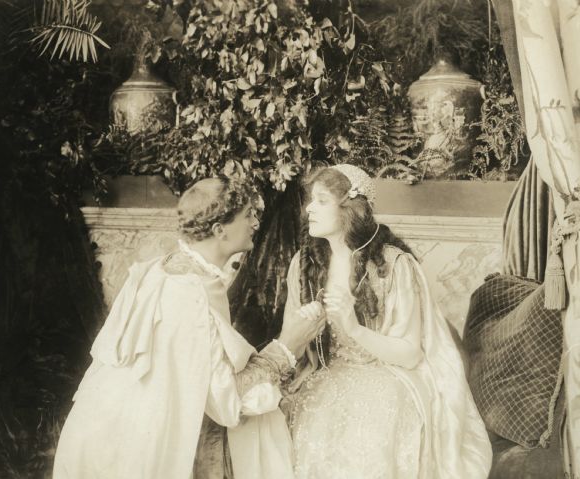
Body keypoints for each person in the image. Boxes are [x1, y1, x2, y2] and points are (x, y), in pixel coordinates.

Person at [53, 176, 325, 479]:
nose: (256, 223)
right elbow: (225, 401)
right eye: (248, 214)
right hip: (131, 447)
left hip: (106, 430)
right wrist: (287, 346)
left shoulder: (163, 267)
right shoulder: (191, 291)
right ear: (220, 230)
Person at [284, 164, 492, 478]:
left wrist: (353, 328)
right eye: (310, 200)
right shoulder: (304, 264)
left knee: (369, 432)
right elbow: (291, 348)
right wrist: (303, 326)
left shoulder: (394, 265)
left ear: (350, 209)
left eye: (322, 201)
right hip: (324, 376)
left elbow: (410, 353)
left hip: (387, 377)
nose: (309, 209)